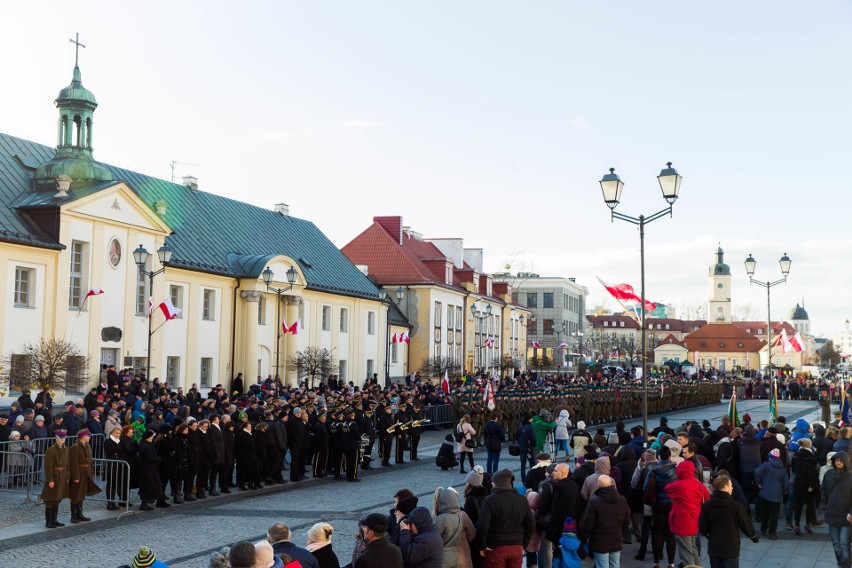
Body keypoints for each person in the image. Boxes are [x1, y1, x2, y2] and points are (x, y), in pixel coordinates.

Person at [477, 469, 535, 568]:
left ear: (496, 484)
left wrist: (482, 545)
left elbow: (483, 526)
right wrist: (523, 543)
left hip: (496, 546)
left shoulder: (490, 500)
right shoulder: (521, 499)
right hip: (517, 546)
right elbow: (531, 524)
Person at [699, 474, 759, 568]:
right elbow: (745, 524)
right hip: (730, 548)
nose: (732, 488)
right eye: (731, 486)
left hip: (714, 548)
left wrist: (708, 535)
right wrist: (754, 537)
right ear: (725, 487)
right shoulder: (736, 506)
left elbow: (702, 527)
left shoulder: (707, 505)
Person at [665, 460, 709, 567]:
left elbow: (667, 488)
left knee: (686, 556)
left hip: (682, 523)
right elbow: (707, 496)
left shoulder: (679, 485)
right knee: (693, 550)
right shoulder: (697, 483)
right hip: (694, 522)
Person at [579, 475, 630, 568]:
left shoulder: (594, 502)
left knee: (602, 565)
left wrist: (584, 537)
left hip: (600, 541)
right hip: (616, 538)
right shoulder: (622, 500)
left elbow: (588, 523)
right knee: (615, 564)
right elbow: (626, 521)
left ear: (598, 485)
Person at [643, 444, 677, 568]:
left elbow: (645, 487)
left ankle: (656, 562)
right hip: (672, 504)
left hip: (657, 504)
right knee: (670, 533)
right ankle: (671, 563)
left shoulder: (653, 470)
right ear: (670, 457)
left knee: (658, 533)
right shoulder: (676, 469)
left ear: (659, 456)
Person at [434, 486, 477, 568]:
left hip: (445, 558)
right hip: (462, 555)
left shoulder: (436, 517)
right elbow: (472, 535)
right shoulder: (462, 515)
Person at [824, 451, 852, 568]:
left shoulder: (851, 476)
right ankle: (843, 563)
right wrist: (824, 504)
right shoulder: (829, 474)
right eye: (836, 461)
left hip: (846, 515)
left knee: (844, 543)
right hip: (832, 514)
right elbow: (823, 490)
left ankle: (844, 566)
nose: (838, 463)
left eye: (841, 461)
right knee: (836, 544)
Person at [754, 448, 789, 539]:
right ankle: (772, 533)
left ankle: (763, 529)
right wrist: (782, 491)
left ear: (771, 456)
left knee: (765, 512)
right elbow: (786, 482)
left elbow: (757, 471)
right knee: (774, 514)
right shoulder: (782, 468)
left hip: (765, 492)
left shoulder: (766, 464)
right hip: (777, 494)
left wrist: (758, 483)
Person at [68, 428, 101, 523]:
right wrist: (75, 476)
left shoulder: (87, 446)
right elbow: (73, 463)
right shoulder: (75, 448)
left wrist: (91, 474)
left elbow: (90, 461)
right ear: (83, 437)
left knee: (82, 494)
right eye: (88, 435)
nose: (89, 437)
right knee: (75, 494)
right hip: (79, 472)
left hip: (86, 472)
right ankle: (73, 516)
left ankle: (80, 514)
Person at [40, 429, 69, 528]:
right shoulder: (51, 450)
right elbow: (48, 467)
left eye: (63, 438)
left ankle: (55, 519)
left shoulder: (66, 449)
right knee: (50, 499)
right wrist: (50, 480)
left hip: (62, 476)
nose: (62, 440)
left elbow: (67, 464)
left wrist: (67, 476)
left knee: (58, 498)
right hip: (54, 476)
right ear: (56, 438)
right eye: (60, 438)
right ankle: (48, 521)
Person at [791, 437, 820, 535]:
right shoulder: (811, 458)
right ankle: (807, 525)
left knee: (798, 506)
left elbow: (794, 470)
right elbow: (811, 473)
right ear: (809, 445)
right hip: (808, 485)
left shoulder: (795, 456)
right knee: (809, 505)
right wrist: (812, 485)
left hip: (798, 483)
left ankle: (797, 526)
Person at [516, 414, 537, 481]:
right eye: (531, 418)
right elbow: (533, 438)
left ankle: (523, 479)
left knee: (523, 464)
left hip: (522, 447)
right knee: (532, 463)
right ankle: (532, 478)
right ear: (529, 419)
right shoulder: (530, 426)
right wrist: (533, 445)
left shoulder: (520, 425)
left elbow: (517, 435)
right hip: (529, 448)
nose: (532, 419)